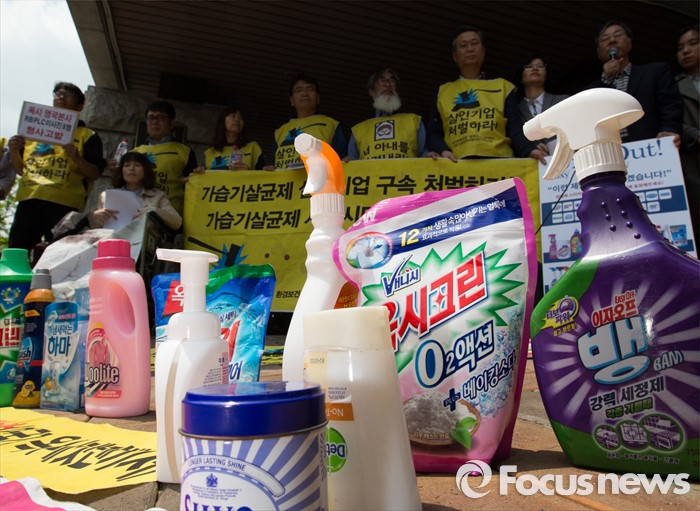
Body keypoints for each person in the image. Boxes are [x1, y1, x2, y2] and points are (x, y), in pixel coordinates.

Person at [6, 82, 106, 252]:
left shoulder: (88, 135)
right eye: (58, 94)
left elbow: (95, 173)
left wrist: (77, 158)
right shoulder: (32, 131)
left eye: (68, 95)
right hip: (30, 198)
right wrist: (14, 150)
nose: (61, 97)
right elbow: (20, 170)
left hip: (64, 204)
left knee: (59, 253)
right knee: (18, 251)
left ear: (79, 106)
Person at [426, 26, 538, 162]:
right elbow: (433, 132)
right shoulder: (443, 92)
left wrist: (530, 149)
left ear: (483, 51)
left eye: (474, 43)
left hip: (500, 163)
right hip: (457, 164)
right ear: (455, 56)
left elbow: (514, 129)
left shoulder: (503, 86)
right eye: (463, 45)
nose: (470, 49)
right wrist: (443, 150)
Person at [587, 20, 683, 147]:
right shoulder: (590, 91)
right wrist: (606, 80)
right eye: (605, 39)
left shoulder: (655, 72)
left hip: (651, 148)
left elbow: (670, 105)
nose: (612, 40)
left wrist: (669, 130)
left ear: (630, 42)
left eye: (618, 35)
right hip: (610, 150)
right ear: (599, 51)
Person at [132, 101, 198, 216]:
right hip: (137, 213)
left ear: (171, 123)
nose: (154, 122)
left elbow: (193, 184)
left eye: (160, 118)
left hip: (170, 216)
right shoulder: (135, 152)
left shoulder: (184, 152)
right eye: (151, 118)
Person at [268, 73, 346, 169]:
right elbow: (274, 164)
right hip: (287, 179)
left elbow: (342, 160)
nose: (304, 94)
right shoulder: (280, 132)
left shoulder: (332, 125)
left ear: (318, 98)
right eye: (298, 90)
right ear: (292, 100)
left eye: (310, 89)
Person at [89, 151, 182, 231]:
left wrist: (151, 211)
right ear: (121, 171)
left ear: (146, 171)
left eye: (137, 165)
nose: (131, 169)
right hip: (113, 241)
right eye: (127, 165)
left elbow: (177, 222)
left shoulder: (158, 195)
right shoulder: (106, 196)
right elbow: (96, 228)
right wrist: (94, 218)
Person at [346, 68, 426, 160]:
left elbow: (423, 154)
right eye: (382, 80)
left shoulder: (413, 121)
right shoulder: (359, 130)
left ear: (397, 90)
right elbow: (352, 162)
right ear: (371, 91)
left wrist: (429, 155)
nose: (388, 85)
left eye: (392, 80)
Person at [513, 55, 569, 161]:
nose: (535, 69)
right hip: (533, 164)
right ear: (520, 76)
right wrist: (532, 146)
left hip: (566, 159)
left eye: (540, 66)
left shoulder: (562, 100)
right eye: (529, 66)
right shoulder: (515, 110)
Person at [675, 24, 699, 243]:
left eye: (693, 43)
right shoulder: (675, 85)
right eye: (681, 47)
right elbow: (672, 118)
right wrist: (695, 134)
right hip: (693, 156)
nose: (686, 51)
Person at [194, 106, 265, 172]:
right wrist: (200, 173)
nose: (237, 119)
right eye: (233, 116)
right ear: (223, 120)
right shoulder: (210, 152)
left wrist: (248, 172)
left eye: (241, 118)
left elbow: (262, 176)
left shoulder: (253, 147)